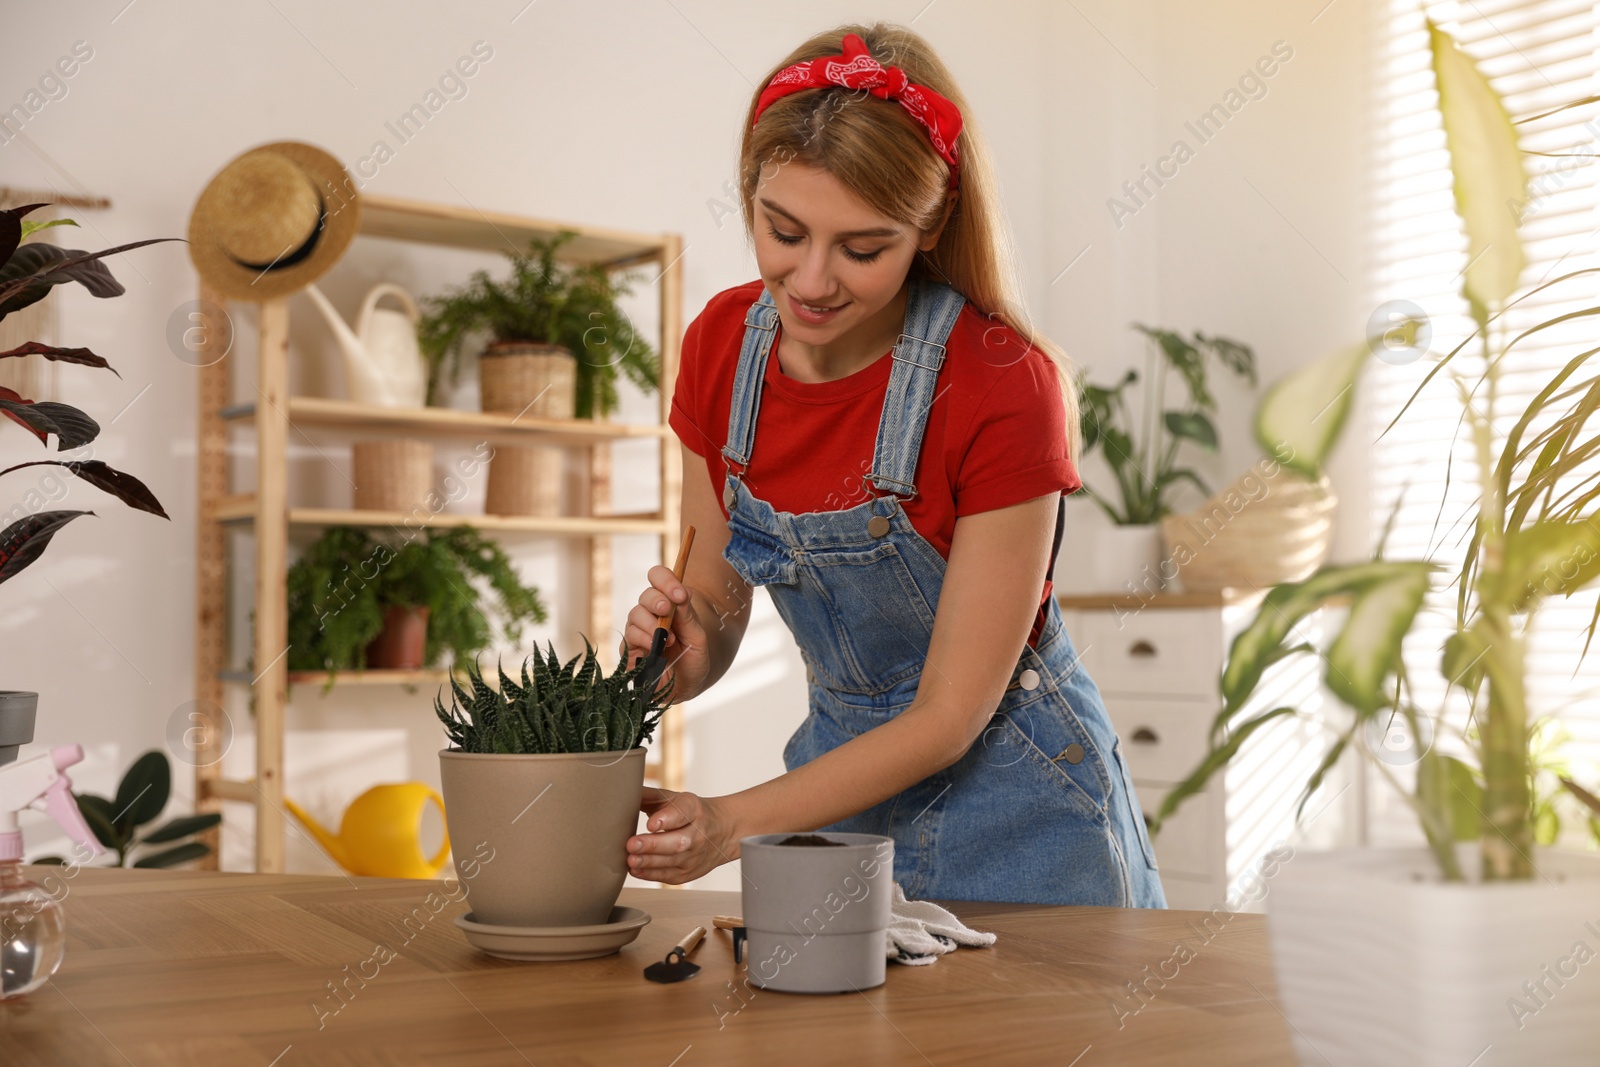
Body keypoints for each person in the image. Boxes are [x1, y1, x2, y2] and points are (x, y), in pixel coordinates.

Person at [619, 22, 1165, 908]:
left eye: (862, 249)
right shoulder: (721, 346)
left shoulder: (1000, 383)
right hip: (837, 807)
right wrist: (678, 653)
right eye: (782, 231)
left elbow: (949, 716)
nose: (811, 280)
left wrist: (730, 823)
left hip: (1027, 815)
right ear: (748, 194)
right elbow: (716, 607)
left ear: (932, 224)